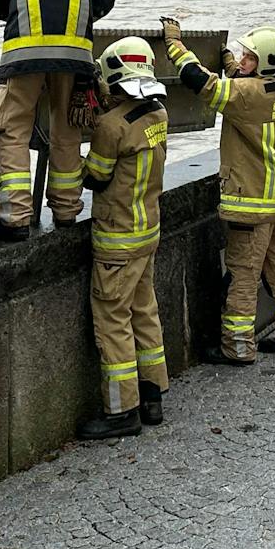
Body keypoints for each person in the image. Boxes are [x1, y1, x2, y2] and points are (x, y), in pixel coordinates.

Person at [162, 17, 275, 364]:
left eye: (249, 58)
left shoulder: (248, 95)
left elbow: (203, 83)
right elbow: (242, 80)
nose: (243, 62)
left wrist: (176, 46)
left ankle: (239, 347)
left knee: (243, 275)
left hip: (252, 199)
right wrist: (230, 59)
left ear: (264, 64)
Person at [0, 0, 116, 240]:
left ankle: (14, 216)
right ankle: (67, 211)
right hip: (75, 56)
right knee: (67, 127)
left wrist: (14, 13)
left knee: (13, 128)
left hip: (23, 54)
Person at [76, 37, 169, 440]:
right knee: (144, 312)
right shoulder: (158, 113)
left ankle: (121, 412)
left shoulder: (111, 127)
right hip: (148, 229)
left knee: (113, 321)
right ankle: (152, 397)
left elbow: (95, 177)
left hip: (118, 239)